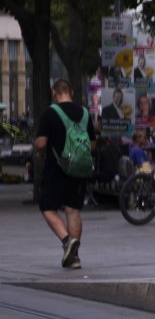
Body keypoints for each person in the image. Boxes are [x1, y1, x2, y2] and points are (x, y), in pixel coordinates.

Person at [35, 78, 95, 269]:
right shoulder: (85, 114)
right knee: (73, 210)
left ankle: (67, 241)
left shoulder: (50, 113)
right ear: (72, 92)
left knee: (47, 207)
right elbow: (92, 143)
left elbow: (41, 143)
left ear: (54, 93)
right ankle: (74, 258)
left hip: (56, 168)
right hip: (79, 169)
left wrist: (38, 151)